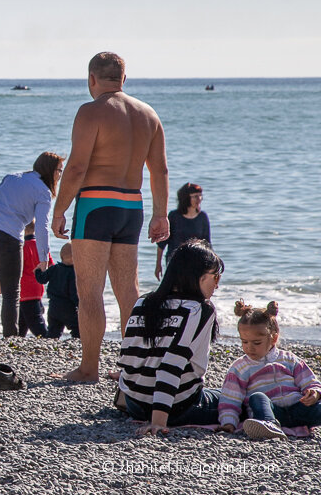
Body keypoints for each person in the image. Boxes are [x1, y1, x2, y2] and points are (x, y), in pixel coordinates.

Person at [51, 52, 170, 381]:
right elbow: (159, 169)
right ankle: (131, 367)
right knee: (128, 291)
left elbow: (76, 167)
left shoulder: (91, 112)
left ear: (91, 79)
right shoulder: (149, 114)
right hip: (132, 206)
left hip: (95, 204)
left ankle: (89, 368)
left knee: (89, 292)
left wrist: (59, 209)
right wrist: (161, 215)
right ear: (123, 78)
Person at [116, 239, 223, 435]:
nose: (217, 285)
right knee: (239, 399)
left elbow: (128, 357)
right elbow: (172, 364)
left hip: (134, 404)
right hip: (175, 407)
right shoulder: (198, 309)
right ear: (196, 276)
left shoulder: (143, 303)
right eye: (215, 277)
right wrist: (159, 421)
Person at [0, 152, 64, 337]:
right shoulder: (43, 191)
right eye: (60, 171)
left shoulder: (12, 177)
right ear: (51, 171)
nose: (61, 175)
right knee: (11, 293)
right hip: (7, 238)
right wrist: (43, 258)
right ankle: (10, 339)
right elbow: (42, 227)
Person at [218, 300, 321, 440]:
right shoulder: (240, 367)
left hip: (299, 409)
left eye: (256, 343)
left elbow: (309, 381)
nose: (249, 347)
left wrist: (314, 394)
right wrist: (228, 422)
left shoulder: (289, 359)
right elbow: (230, 399)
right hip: (271, 412)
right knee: (257, 397)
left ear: (274, 338)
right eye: (244, 342)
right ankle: (269, 425)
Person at [155, 183, 211, 280]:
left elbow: (207, 243)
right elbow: (162, 243)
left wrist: (211, 266)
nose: (199, 199)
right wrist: (158, 265)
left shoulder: (202, 217)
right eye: (195, 196)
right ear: (186, 198)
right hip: (175, 261)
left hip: (196, 261)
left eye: (200, 196)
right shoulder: (174, 216)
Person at [35, 243, 79, 339]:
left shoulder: (54, 268)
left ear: (61, 257)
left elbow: (41, 279)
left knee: (53, 331)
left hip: (53, 307)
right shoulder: (74, 273)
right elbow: (73, 293)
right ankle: (77, 342)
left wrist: (37, 271)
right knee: (77, 329)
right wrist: (80, 304)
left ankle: (50, 343)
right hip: (68, 308)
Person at [17, 221, 51, 338]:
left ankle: (47, 337)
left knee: (35, 321)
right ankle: (18, 336)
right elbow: (50, 265)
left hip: (25, 289)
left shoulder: (22, 247)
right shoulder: (40, 246)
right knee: (23, 317)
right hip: (37, 287)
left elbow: (18, 269)